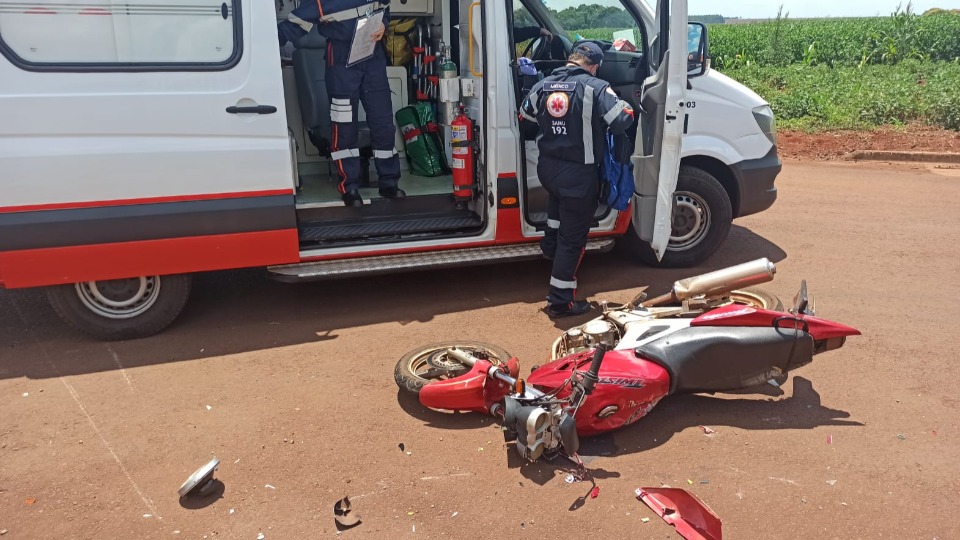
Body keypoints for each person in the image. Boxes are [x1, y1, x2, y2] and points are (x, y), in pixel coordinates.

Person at [520, 42, 635, 318]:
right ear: (594, 66)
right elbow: (623, 119)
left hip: (548, 170)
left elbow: (525, 115)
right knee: (573, 239)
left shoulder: (543, 85)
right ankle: (560, 301)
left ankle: (550, 248)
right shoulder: (596, 87)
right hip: (578, 174)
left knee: (558, 210)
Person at [279, 1, 405, 207]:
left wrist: (384, 24)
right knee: (344, 125)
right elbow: (294, 24)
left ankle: (389, 182)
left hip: (373, 56)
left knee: (383, 122)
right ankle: (349, 186)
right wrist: (261, 46)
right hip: (340, 58)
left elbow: (384, 8)